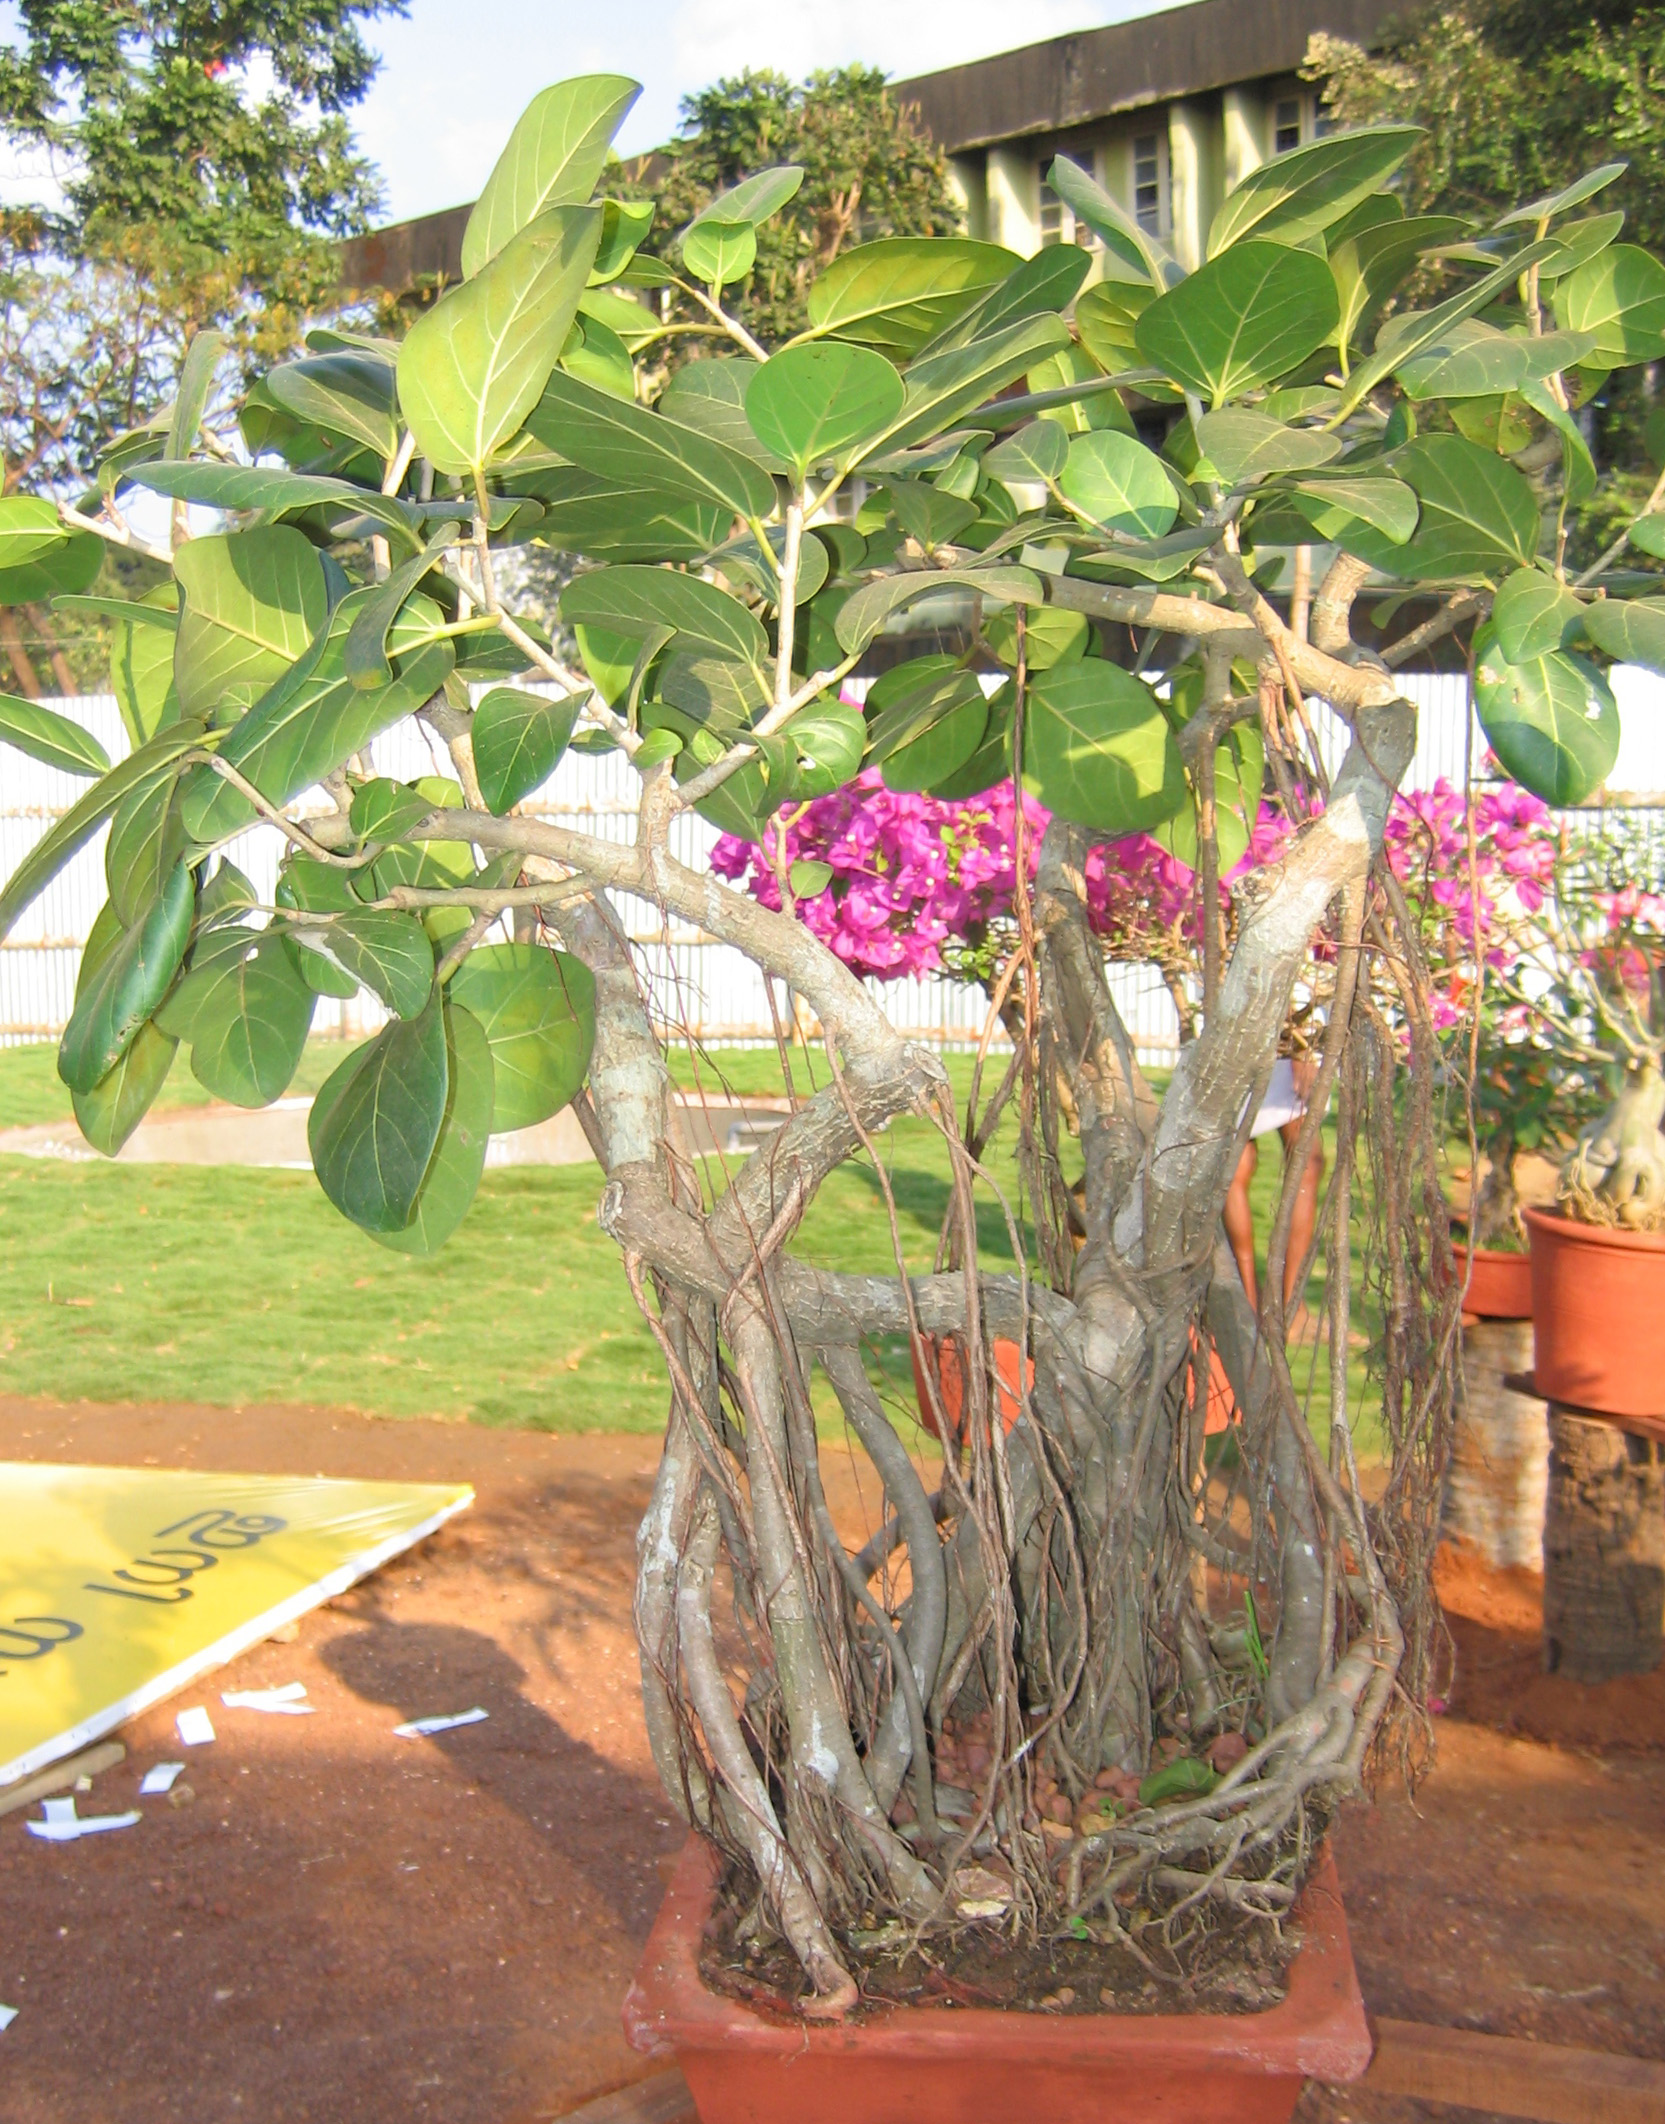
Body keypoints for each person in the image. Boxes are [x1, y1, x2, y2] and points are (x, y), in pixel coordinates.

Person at [1223, 1050, 1324, 1324]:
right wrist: (1301, 1048)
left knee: (1236, 1164)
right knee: (1306, 1164)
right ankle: (1287, 1309)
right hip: (1279, 1043)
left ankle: (1250, 1301)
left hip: (1231, 1036)